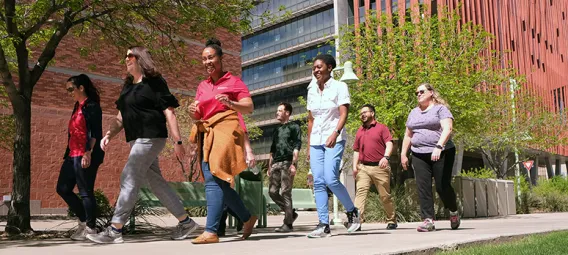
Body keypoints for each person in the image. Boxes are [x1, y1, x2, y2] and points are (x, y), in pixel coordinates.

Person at [86, 46, 198, 244]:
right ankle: (186, 222)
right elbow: (120, 117)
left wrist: (178, 141)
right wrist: (108, 135)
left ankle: (115, 229)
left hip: (151, 136)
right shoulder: (128, 86)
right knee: (156, 182)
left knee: (129, 176)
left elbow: (169, 112)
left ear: (140, 58)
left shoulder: (154, 82)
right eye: (125, 56)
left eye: (129, 55)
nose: (126, 59)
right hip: (135, 140)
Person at [188, 38, 257, 244]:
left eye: (211, 58)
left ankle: (211, 231)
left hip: (226, 129)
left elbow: (249, 107)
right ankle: (247, 216)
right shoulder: (202, 85)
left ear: (220, 58)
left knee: (213, 177)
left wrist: (231, 102)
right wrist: (193, 112)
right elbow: (200, 113)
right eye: (204, 59)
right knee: (217, 180)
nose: (207, 62)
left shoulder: (234, 82)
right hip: (207, 132)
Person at [306, 54, 360, 238]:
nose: (316, 70)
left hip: (334, 138)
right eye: (314, 68)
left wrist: (335, 133)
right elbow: (310, 120)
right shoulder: (311, 89)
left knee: (330, 178)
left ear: (330, 68)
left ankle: (352, 212)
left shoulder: (339, 87)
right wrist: (308, 146)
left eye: (319, 67)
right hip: (315, 141)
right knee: (318, 182)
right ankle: (323, 224)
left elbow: (344, 113)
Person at [401, 83, 461, 232]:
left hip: (442, 152)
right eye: (416, 93)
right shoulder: (413, 112)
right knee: (423, 187)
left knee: (442, 186)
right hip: (419, 154)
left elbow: (448, 129)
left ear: (431, 92)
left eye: (421, 91)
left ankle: (453, 211)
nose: (418, 94)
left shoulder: (441, 109)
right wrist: (403, 154)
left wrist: (439, 147)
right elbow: (408, 135)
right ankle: (428, 220)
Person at [56, 74, 105, 241]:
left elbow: (95, 133)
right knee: (62, 188)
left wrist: (87, 152)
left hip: (85, 154)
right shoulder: (77, 106)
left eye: (71, 89)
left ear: (81, 88)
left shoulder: (92, 106)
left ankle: (91, 228)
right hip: (72, 155)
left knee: (85, 191)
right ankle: (85, 221)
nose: (69, 92)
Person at [352, 104, 397, 231]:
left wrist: (386, 157)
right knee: (360, 194)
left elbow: (389, 143)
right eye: (361, 113)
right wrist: (354, 166)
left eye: (365, 112)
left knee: (385, 196)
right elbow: (356, 150)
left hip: (380, 167)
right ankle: (356, 222)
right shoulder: (360, 130)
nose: (362, 115)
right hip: (363, 167)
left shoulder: (382, 128)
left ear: (372, 113)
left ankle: (392, 220)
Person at [267, 102, 301, 233]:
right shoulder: (276, 129)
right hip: (276, 163)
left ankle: (288, 224)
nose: (277, 113)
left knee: (286, 192)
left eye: (280, 110)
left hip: (287, 162)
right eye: (277, 110)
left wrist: (293, 163)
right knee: (272, 192)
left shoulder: (294, 126)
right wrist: (269, 166)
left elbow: (297, 144)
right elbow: (273, 149)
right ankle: (290, 213)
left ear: (287, 113)